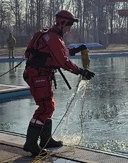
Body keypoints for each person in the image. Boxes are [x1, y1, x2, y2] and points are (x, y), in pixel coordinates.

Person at [22, 10, 95, 157]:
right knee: (45, 107)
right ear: (62, 23)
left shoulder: (50, 35)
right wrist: (81, 71)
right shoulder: (53, 38)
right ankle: (30, 143)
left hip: (41, 74)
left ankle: (46, 140)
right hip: (38, 74)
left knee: (49, 106)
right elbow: (63, 61)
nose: (70, 28)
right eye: (69, 24)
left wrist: (76, 49)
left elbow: (60, 53)